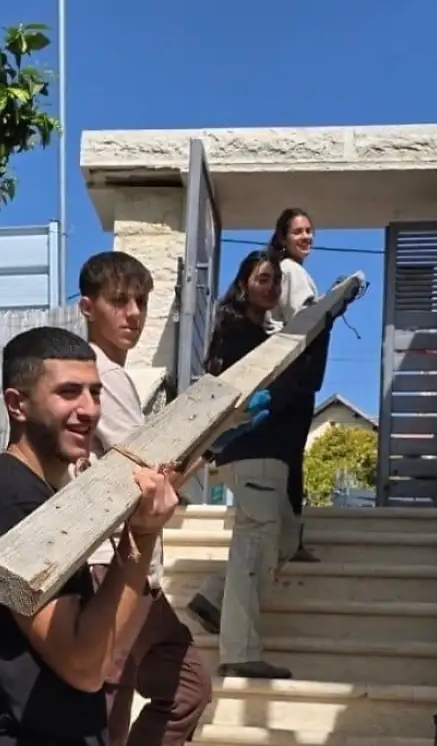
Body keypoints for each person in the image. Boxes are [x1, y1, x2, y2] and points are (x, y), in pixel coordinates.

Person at [0, 326, 183, 746]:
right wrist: (140, 535)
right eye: (68, 392)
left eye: (95, 392)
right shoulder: (11, 504)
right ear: (18, 404)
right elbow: (85, 666)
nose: (89, 410)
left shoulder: (32, 496)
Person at [74, 251, 212, 746]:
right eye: (119, 301)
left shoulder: (110, 374)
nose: (133, 314)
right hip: (111, 562)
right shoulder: (102, 376)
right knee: (118, 703)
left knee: (173, 688)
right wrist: (216, 437)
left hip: (124, 563)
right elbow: (152, 474)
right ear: (87, 308)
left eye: (141, 302)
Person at [183, 250, 304, 680]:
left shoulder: (257, 331)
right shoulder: (241, 334)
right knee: (254, 552)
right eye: (262, 279)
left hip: (262, 454)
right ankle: (240, 652)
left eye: (275, 281)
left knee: (285, 538)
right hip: (254, 451)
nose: (271, 287)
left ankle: (213, 598)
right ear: (244, 284)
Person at [265, 207, 328, 563]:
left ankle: (284, 537)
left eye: (309, 230)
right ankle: (290, 542)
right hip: (293, 377)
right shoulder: (292, 271)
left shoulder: (283, 271)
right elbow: (305, 321)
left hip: (284, 376)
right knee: (289, 459)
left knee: (284, 457)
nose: (306, 237)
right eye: (298, 232)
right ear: (283, 238)